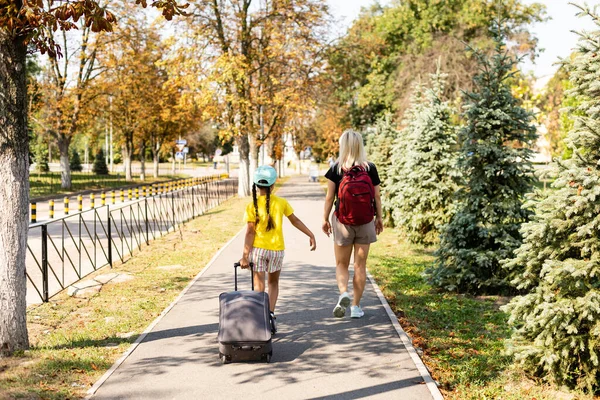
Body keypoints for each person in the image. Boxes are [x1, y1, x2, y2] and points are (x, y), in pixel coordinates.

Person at [240, 165, 316, 333]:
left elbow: (250, 232)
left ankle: (260, 318)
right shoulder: (281, 202)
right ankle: (271, 314)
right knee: (273, 283)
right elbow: (295, 221)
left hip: (258, 250)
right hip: (276, 251)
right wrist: (310, 234)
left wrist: (245, 256)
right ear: (273, 185)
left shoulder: (251, 206)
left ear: (256, 186)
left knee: (259, 285)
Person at [322, 129, 383, 319]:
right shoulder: (369, 168)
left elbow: (330, 197)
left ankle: (343, 294)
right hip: (365, 222)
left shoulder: (336, 168)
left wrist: (324, 219)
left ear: (343, 146)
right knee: (360, 266)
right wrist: (379, 218)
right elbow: (377, 196)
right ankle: (356, 307)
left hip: (342, 223)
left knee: (341, 263)